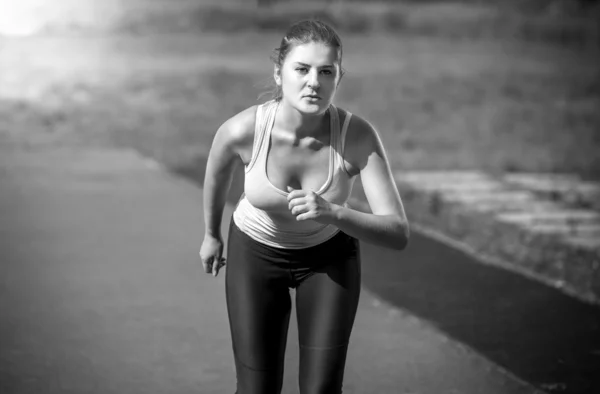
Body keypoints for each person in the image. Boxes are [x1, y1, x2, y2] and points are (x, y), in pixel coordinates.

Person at [199, 19, 409, 394]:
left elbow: (398, 233)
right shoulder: (243, 130)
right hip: (255, 252)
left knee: (321, 389)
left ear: (338, 79)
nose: (314, 81)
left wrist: (334, 213)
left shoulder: (357, 136)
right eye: (302, 69)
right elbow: (215, 174)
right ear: (279, 74)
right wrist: (212, 234)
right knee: (256, 389)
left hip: (328, 257)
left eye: (326, 71)